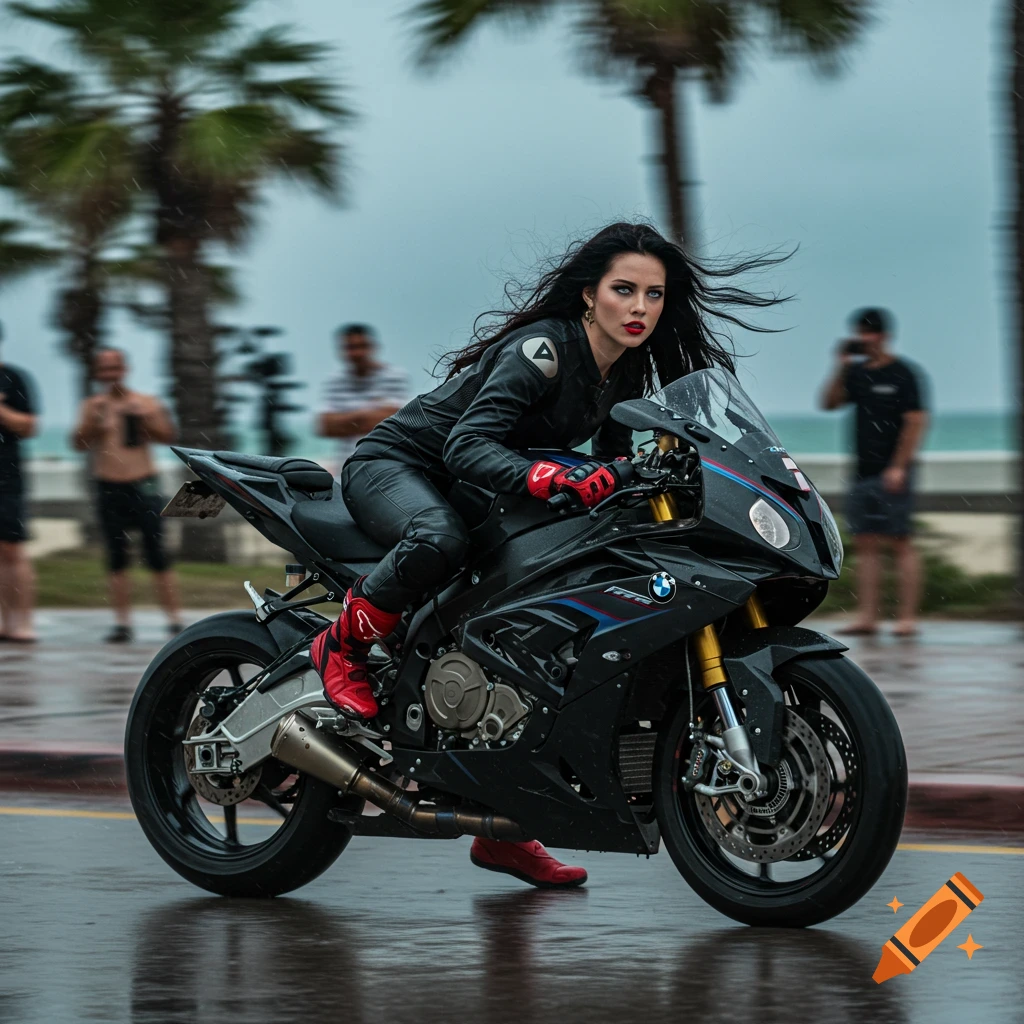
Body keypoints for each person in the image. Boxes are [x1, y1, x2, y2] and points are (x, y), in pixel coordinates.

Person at [310, 221, 783, 888]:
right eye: (625, 290)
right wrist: (546, 477)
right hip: (403, 467)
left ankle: (507, 822)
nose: (640, 307)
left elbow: (616, 468)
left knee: (547, 630)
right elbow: (466, 446)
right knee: (438, 540)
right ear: (590, 295)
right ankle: (342, 645)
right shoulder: (543, 352)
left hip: (480, 489)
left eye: (654, 294)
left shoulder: (625, 374)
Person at [820, 308, 929, 637]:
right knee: (865, 543)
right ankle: (868, 617)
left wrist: (898, 466)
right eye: (859, 333)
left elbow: (916, 422)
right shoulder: (857, 374)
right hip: (861, 470)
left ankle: (906, 618)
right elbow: (829, 403)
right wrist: (840, 365)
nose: (862, 340)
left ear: (883, 336)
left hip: (894, 471)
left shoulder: (903, 374)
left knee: (900, 541)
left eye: (868, 334)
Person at [72, 347, 183, 643]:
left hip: (143, 484)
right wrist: (95, 422)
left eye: (115, 368)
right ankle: (122, 623)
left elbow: (168, 435)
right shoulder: (92, 405)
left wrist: (145, 417)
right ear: (98, 373)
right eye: (104, 369)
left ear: (124, 370)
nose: (110, 375)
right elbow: (78, 443)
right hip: (108, 485)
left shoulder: (145, 402)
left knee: (158, 554)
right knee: (116, 556)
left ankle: (174, 619)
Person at [316, 324, 408, 475]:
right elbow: (325, 426)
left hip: (385, 464)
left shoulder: (394, 376)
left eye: (361, 346)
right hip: (346, 466)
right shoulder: (334, 380)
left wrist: (345, 419)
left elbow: (394, 421)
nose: (357, 353)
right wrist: (370, 413)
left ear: (373, 347)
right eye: (351, 347)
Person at [0, 322, 39, 643]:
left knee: (13, 549)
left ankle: (23, 622)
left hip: (6, 476)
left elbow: (29, 426)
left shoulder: (14, 379)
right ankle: (3, 622)